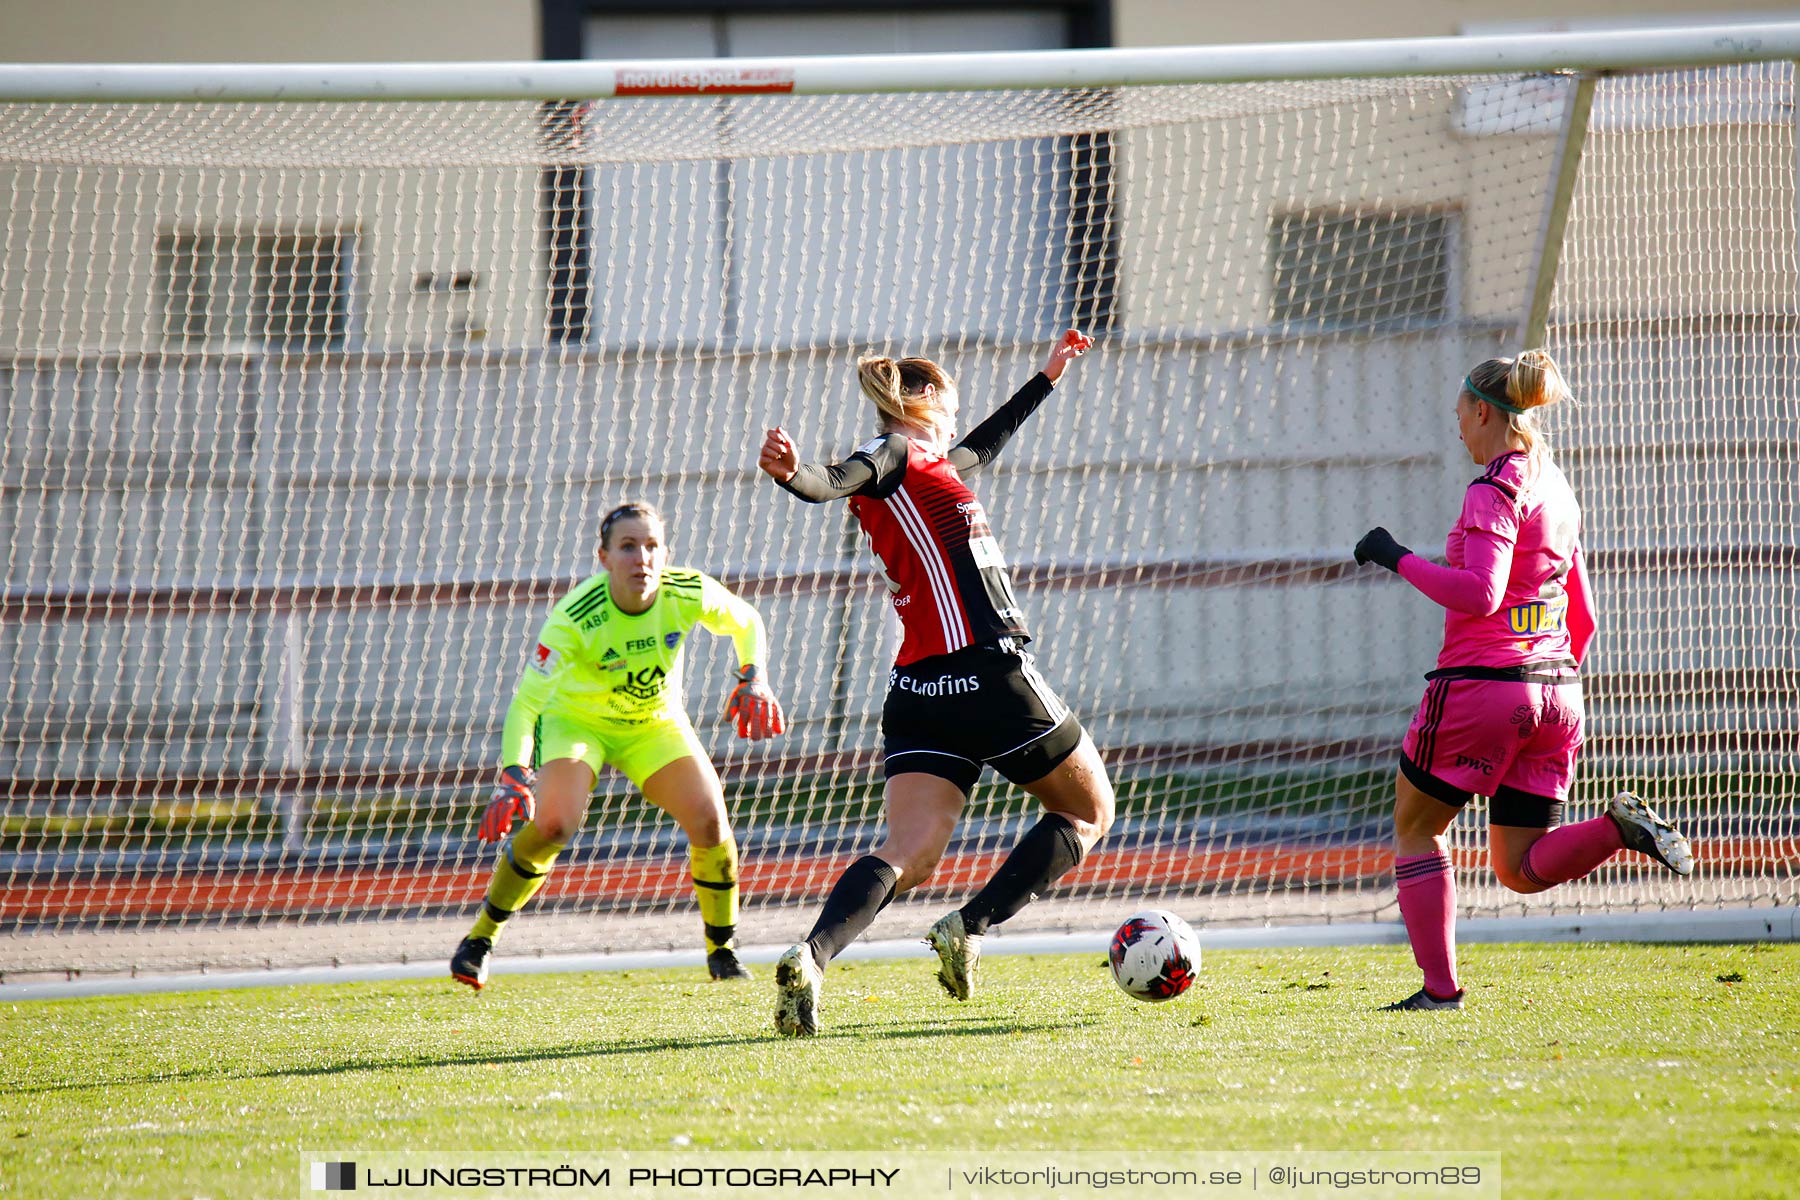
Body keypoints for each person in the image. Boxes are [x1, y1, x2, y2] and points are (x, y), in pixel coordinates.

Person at [755, 330, 1115, 1036]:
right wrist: (793, 474)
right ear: (921, 404)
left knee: (911, 852)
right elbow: (834, 481)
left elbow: (983, 444)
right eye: (949, 404)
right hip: (986, 671)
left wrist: (1046, 379)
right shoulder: (891, 454)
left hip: (920, 689)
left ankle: (814, 955)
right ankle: (972, 925)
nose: (957, 417)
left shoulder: (931, 466)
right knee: (1089, 810)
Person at [1353, 350, 1694, 1011]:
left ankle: (1440, 991)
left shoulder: (1494, 487)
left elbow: (1480, 595)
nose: (1458, 428)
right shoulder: (1558, 488)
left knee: (1418, 830)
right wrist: (1544, 684)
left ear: (1483, 410)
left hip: (1484, 684)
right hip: (1559, 691)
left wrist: (1394, 556)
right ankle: (1617, 828)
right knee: (1517, 867)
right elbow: (1585, 616)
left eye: (1459, 414)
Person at [450, 502, 786, 990]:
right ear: (604, 557)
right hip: (577, 724)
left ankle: (723, 951)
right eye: (628, 547)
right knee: (552, 825)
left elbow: (746, 620)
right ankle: (480, 939)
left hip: (654, 724)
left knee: (711, 819)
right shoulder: (575, 617)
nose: (641, 558)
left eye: (652, 546)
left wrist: (753, 675)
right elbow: (526, 705)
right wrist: (513, 772)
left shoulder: (685, 591)